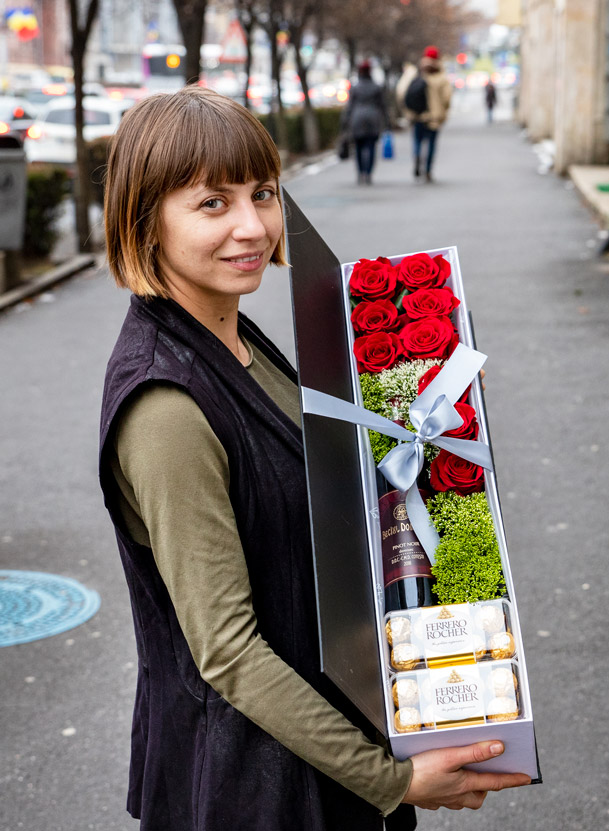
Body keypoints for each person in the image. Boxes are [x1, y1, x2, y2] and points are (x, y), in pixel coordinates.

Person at [99, 85, 531, 831]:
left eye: (263, 193)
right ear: (146, 220)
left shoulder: (234, 336)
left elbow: (311, 483)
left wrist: (428, 405)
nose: (252, 227)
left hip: (316, 754)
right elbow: (229, 653)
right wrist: (390, 779)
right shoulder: (166, 408)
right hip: (253, 789)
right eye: (211, 204)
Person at [397, 46, 453, 182]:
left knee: (417, 141)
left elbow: (401, 92)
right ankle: (427, 170)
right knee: (431, 145)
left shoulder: (416, 72)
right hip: (434, 117)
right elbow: (447, 98)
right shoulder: (441, 76)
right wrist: (443, 112)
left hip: (417, 116)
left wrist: (407, 110)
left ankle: (417, 156)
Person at [341, 59, 389, 184]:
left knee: (358, 148)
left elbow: (349, 106)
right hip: (373, 120)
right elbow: (383, 106)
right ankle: (368, 173)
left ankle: (360, 172)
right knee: (371, 147)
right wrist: (387, 121)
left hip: (357, 120)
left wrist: (344, 121)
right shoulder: (376, 87)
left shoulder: (355, 88)